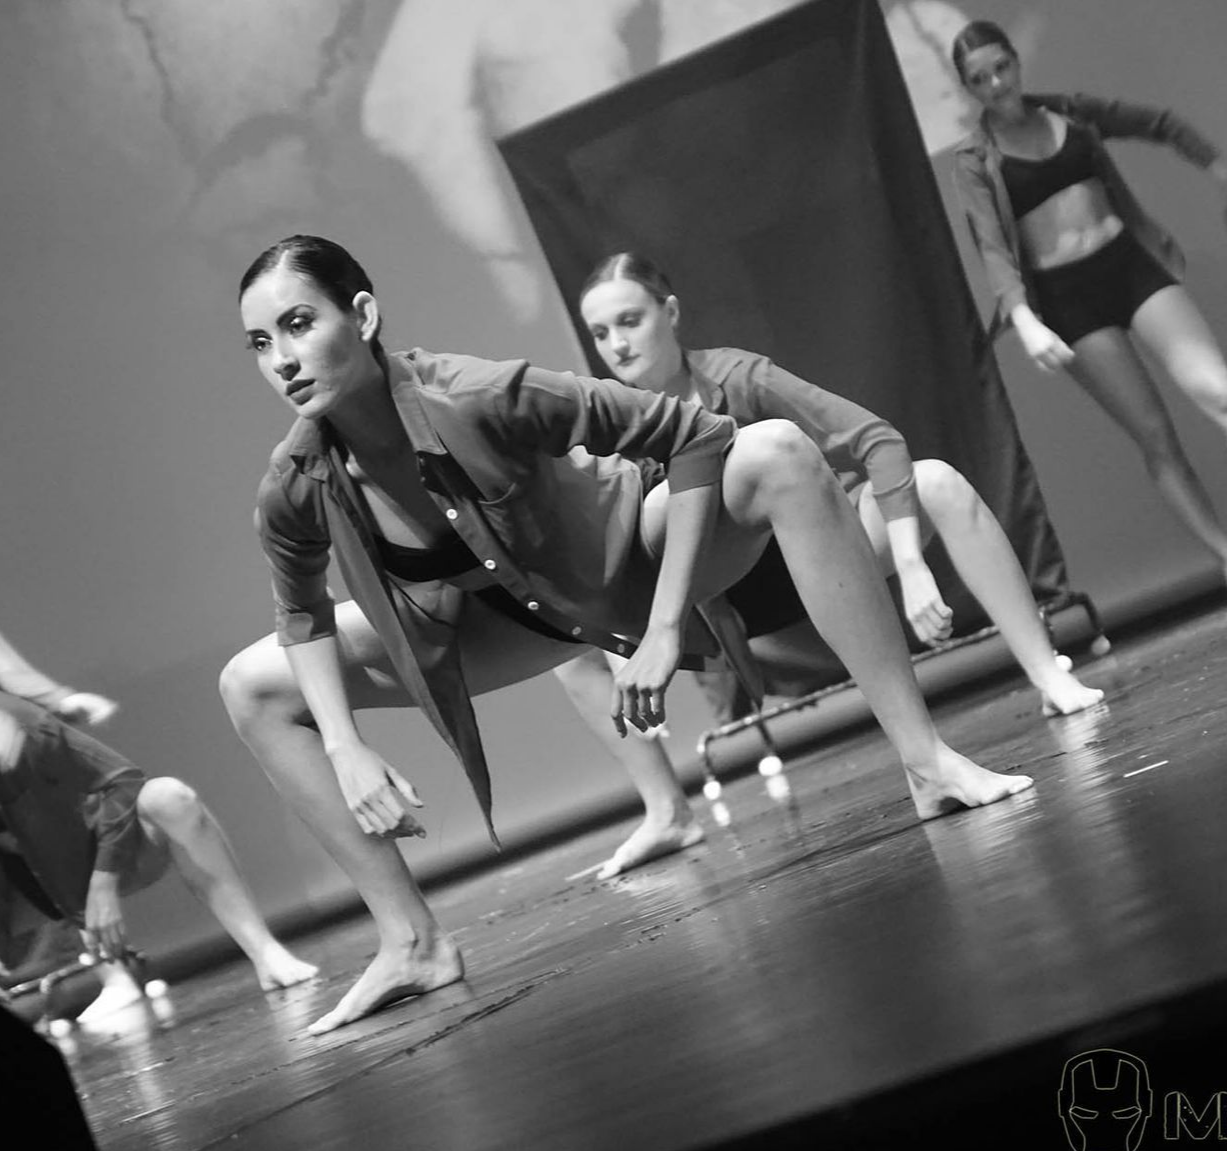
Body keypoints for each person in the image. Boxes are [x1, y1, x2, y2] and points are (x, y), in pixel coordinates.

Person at [220, 234, 1035, 1033]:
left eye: (298, 324)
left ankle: (926, 762)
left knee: (778, 451)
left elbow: (696, 437)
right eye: (261, 342)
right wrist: (342, 744)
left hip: (628, 563)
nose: (280, 359)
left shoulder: (473, 393)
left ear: (361, 315)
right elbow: (302, 616)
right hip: (504, 620)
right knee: (249, 685)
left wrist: (663, 627)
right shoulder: (293, 483)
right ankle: (412, 940)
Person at [559, 252, 1104, 879]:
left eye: (630, 320)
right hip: (725, 597)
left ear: (670, 313)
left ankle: (1050, 677)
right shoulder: (608, 421)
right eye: (601, 333)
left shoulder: (739, 375)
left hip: (822, 560)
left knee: (939, 482)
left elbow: (875, 438)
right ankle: (664, 812)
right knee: (561, 637)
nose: (618, 344)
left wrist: (911, 562)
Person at [951, 19, 1227, 582]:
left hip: (1127, 265)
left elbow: (1160, 123)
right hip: (1067, 301)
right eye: (981, 79)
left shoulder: (1069, 112)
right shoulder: (977, 161)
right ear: (969, 89)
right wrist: (1024, 318)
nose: (997, 84)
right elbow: (993, 245)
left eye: (1002, 67)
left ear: (1015, 62)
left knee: (1214, 386)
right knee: (1156, 437)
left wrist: (1215, 162)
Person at [0, 628, 316, 1020]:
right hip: (37, 889)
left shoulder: (27, 728)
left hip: (106, 855)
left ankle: (265, 952)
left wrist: (102, 885)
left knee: (170, 798)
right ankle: (112, 978)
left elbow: (120, 782)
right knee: (33, 840)